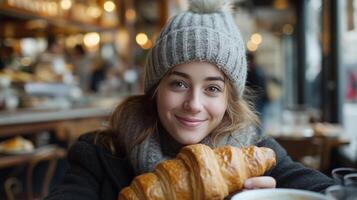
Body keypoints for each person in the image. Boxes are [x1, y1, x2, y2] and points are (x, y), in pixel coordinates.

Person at [45, 0, 334, 199]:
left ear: (228, 100)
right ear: (156, 88)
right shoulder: (100, 153)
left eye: (212, 88)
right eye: (179, 83)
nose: (194, 104)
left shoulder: (258, 154)